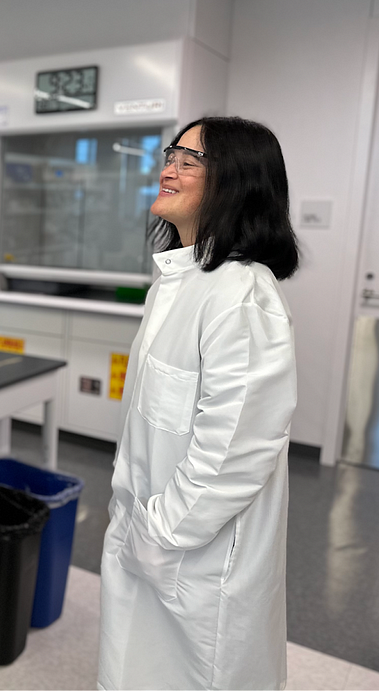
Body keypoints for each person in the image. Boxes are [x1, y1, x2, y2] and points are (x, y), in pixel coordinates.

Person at [98, 117, 299, 690]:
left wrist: (159, 533)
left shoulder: (242, 294)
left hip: (195, 556)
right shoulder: (180, 280)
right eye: (171, 155)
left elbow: (237, 449)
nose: (168, 170)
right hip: (152, 537)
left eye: (190, 162)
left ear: (235, 183)